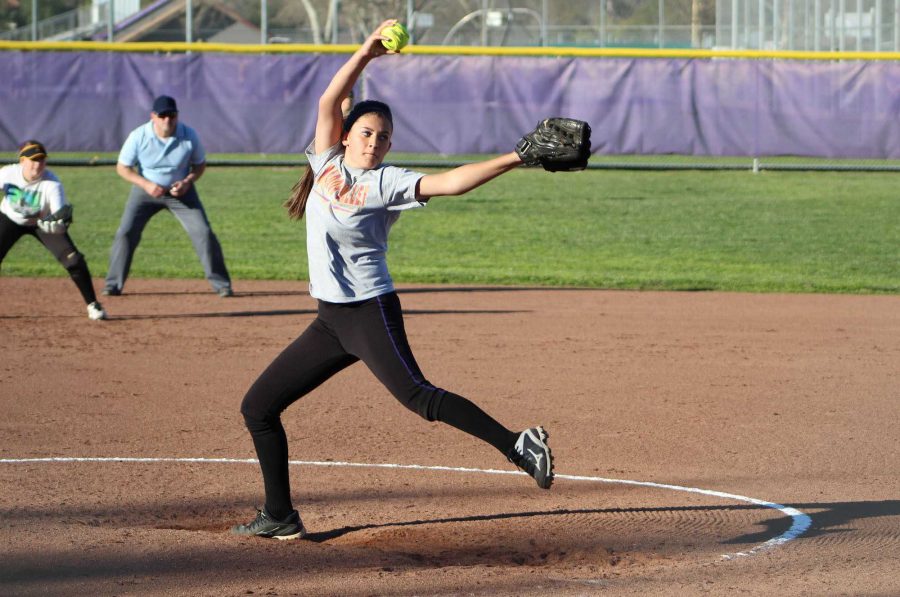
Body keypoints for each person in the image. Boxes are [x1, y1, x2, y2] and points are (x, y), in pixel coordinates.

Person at [232, 19, 556, 540]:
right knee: (259, 407)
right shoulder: (325, 163)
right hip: (329, 322)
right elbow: (327, 100)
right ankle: (280, 515)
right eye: (366, 132)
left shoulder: (389, 182)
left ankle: (518, 443)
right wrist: (365, 53)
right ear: (346, 134)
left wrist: (517, 157)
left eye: (383, 137)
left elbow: (451, 182)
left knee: (418, 398)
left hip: (369, 313)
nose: (375, 142)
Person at [103, 95, 233, 297]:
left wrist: (187, 182)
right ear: (153, 116)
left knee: (204, 233)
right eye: (162, 115)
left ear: (177, 116)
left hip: (181, 192)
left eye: (171, 115)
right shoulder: (139, 136)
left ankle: (222, 284)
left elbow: (200, 165)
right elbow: (122, 167)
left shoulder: (188, 135)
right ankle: (113, 284)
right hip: (146, 191)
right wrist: (145, 184)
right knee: (126, 232)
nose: (167, 120)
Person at [0, 141, 107, 320]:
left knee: (74, 260)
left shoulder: (52, 183)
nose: (38, 164)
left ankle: (93, 304)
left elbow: (59, 216)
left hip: (43, 223)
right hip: (10, 219)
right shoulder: (7, 173)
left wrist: (58, 226)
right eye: (33, 160)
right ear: (22, 161)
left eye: (42, 160)